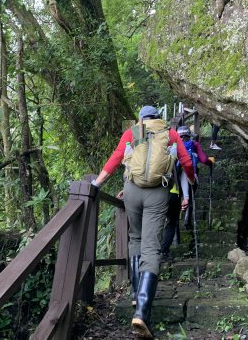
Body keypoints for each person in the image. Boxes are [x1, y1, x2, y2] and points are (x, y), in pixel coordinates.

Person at [91, 106, 195, 339]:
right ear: (158, 118)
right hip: (158, 192)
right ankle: (141, 312)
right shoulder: (169, 133)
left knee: (135, 238)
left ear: (141, 118)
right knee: (151, 247)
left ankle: (136, 294)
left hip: (132, 191)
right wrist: (191, 178)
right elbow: (186, 161)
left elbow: (117, 158)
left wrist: (96, 184)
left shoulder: (133, 132)